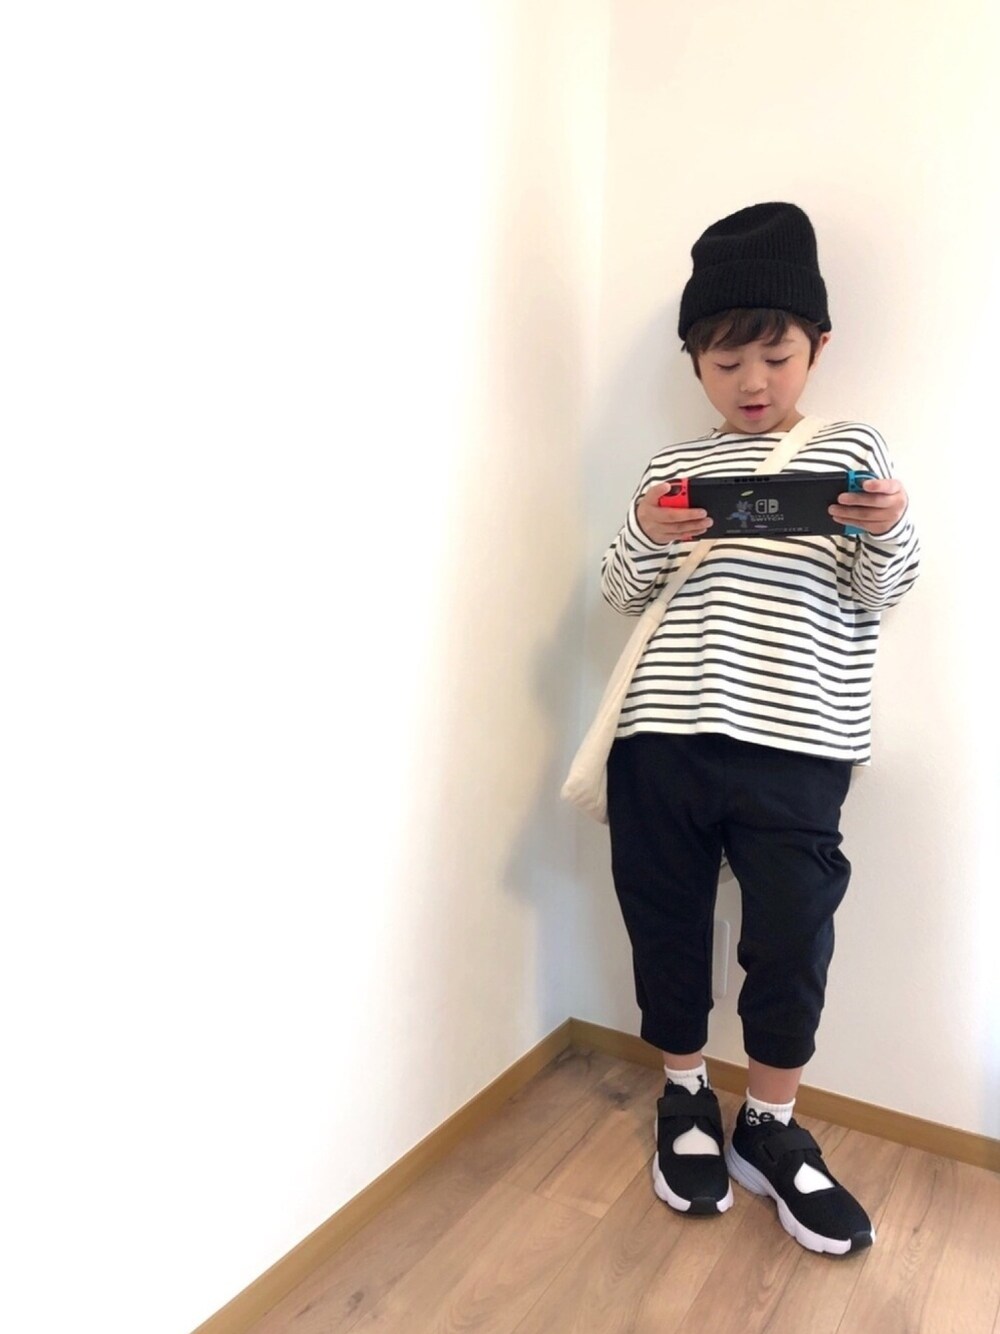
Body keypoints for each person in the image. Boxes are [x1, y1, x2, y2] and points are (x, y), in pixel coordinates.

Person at [601, 202, 920, 1255]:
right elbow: (619, 591)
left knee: (791, 938)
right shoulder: (671, 467)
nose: (751, 380)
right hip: (663, 736)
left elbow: (883, 593)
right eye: (724, 359)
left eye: (774, 355)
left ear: (817, 345)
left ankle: (770, 1125)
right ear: (694, 361)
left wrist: (890, 525)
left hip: (799, 746)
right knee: (666, 921)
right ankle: (684, 1093)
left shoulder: (851, 451)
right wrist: (646, 527)